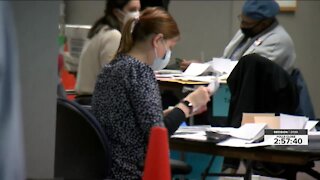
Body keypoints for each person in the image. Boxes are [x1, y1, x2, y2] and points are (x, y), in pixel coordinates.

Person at [91, 7, 212, 179]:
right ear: (157, 40)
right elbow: (157, 135)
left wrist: (172, 112)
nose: (168, 54)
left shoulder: (113, 68)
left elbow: (130, 121)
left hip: (107, 168)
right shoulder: (139, 72)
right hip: (131, 170)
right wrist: (188, 104)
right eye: (170, 47)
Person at [179, 0, 296, 74]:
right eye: (242, 20)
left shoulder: (278, 41)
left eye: (247, 23)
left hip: (262, 102)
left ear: (264, 24)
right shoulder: (248, 31)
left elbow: (245, 70)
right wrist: (200, 67)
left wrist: (204, 68)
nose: (241, 26)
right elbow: (226, 62)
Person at [75, 0, 141, 104]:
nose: (137, 15)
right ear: (116, 12)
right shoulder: (113, 36)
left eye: (138, 9)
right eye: (132, 10)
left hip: (87, 102)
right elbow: (114, 82)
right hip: (96, 103)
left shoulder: (101, 30)